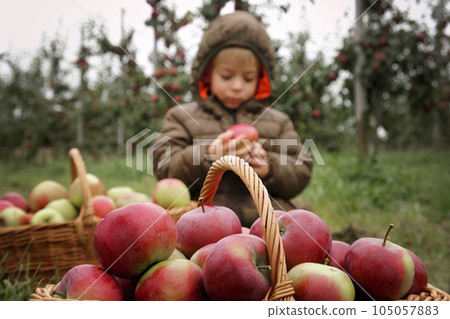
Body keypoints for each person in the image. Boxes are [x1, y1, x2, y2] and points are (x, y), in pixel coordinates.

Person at [152, 11, 313, 227]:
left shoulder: (278, 122)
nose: (237, 86)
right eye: (226, 76)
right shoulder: (182, 117)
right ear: (207, 74)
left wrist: (270, 168)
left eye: (248, 78)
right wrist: (208, 155)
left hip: (265, 228)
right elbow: (165, 167)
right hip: (203, 227)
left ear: (261, 78)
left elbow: (301, 169)